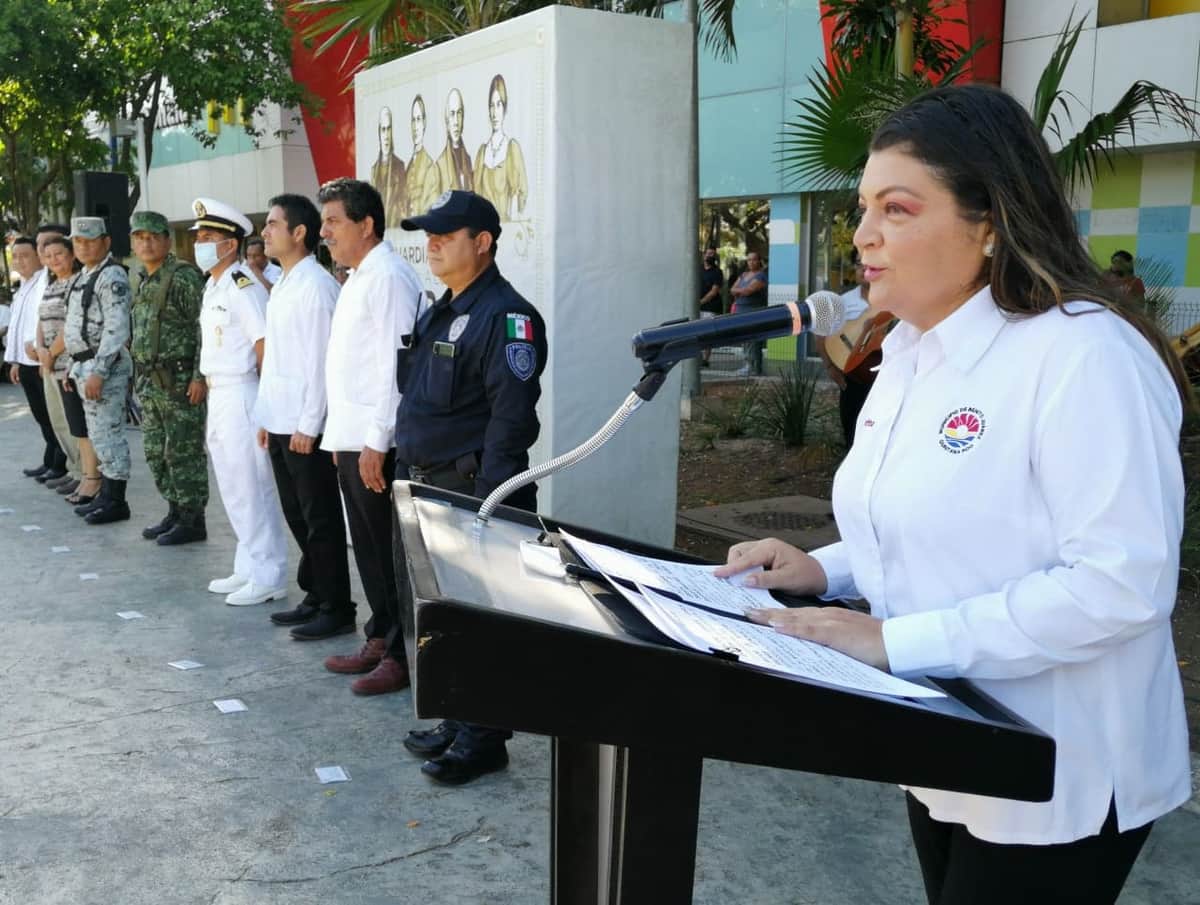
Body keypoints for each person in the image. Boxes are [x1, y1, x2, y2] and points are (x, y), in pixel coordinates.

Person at [714, 84, 1192, 905]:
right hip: (947, 732)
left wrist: (895, 640)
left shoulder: (1085, 356)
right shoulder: (908, 350)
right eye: (863, 208)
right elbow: (934, 519)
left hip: (1060, 766)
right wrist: (820, 571)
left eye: (897, 209)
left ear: (990, 223)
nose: (862, 235)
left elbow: (1119, 585)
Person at [396, 190, 547, 785]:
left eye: (446, 234)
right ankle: (459, 719)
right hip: (429, 487)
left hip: (474, 494)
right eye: (428, 233)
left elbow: (512, 424)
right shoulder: (443, 307)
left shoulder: (509, 318)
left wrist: (485, 506)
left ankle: (485, 738)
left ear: (481, 242)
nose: (431, 242)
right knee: (447, 618)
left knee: (483, 621)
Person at [313, 178, 422, 680]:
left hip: (378, 441)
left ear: (366, 223)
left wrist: (377, 441)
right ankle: (380, 635)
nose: (325, 232)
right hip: (352, 438)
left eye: (334, 221)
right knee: (370, 549)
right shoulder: (357, 275)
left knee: (388, 550)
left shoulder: (390, 276)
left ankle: (402, 655)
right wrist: (341, 439)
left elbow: (393, 368)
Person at [254, 193, 353, 631]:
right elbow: (279, 361)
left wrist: (309, 424)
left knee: (320, 518)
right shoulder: (286, 283)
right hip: (281, 420)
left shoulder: (315, 285)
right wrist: (266, 417)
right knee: (297, 515)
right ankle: (316, 593)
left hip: (303, 426)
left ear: (299, 233)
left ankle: (337, 608)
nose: (265, 232)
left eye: (273, 224)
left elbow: (319, 362)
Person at [191, 197, 288, 605]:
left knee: (252, 486)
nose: (199, 243)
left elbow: (264, 343)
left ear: (230, 245)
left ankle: (268, 573)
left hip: (243, 392)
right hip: (220, 393)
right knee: (233, 484)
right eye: (199, 236)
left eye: (208, 237)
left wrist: (266, 404)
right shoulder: (214, 285)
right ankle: (248, 565)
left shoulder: (241, 285)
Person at [128, 211, 210, 545]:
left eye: (153, 236)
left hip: (179, 381)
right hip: (151, 383)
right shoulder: (146, 278)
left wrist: (199, 376)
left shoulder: (183, 277)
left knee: (183, 452)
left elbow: (202, 327)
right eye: (139, 237)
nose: (146, 243)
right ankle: (175, 510)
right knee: (155, 452)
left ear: (167, 240)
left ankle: (192, 519)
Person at [62, 217, 134, 525]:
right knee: (97, 434)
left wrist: (100, 371)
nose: (83, 246)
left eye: (90, 240)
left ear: (105, 242)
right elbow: (74, 325)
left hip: (104, 367)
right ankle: (105, 495)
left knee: (109, 434)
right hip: (84, 365)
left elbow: (117, 328)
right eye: (78, 241)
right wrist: (71, 365)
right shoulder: (83, 276)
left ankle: (116, 501)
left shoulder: (112, 275)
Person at [5, 233, 67, 481]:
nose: (19, 261)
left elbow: (43, 321)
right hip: (26, 361)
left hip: (43, 359)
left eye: (25, 256)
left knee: (53, 416)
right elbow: (17, 327)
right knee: (41, 415)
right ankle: (50, 458)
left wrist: (42, 353)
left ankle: (60, 463)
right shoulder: (23, 287)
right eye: (15, 257)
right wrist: (15, 360)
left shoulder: (43, 280)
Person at [35, 235, 84, 498]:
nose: (54, 259)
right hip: (49, 363)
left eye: (60, 254)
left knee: (75, 421)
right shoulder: (51, 284)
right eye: (49, 255)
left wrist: (51, 355)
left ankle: (85, 473)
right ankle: (73, 469)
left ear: (72, 255)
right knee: (58, 420)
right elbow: (41, 320)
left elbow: (72, 326)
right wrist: (41, 349)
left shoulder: (77, 284)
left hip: (69, 365)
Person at [819, 254, 879, 447]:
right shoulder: (842, 302)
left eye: (869, 264)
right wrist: (830, 367)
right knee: (852, 434)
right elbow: (821, 332)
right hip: (853, 379)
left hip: (886, 377)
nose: (863, 269)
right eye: (859, 264)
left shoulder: (896, 301)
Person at [473, 74, 528, 220]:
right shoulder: (482, 153)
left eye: (499, 104)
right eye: (492, 105)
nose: (495, 112)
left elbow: (520, 198)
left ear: (505, 108)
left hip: (505, 231)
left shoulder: (512, 149)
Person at [729, 251, 767, 376]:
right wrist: (740, 291)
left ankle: (754, 367)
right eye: (749, 260)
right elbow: (732, 289)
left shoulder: (761, 276)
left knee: (753, 340)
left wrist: (739, 291)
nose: (751, 262)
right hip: (740, 311)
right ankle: (748, 365)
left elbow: (749, 291)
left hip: (753, 311)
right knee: (745, 339)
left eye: (754, 259)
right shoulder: (744, 274)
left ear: (759, 261)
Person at [371, 107, 407, 230]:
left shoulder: (399, 166)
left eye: (388, 130)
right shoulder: (374, 170)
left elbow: (402, 205)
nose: (386, 135)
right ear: (379, 133)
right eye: (383, 130)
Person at [434, 88, 473, 194]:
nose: (456, 121)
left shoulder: (468, 160)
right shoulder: (439, 165)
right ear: (447, 120)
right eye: (452, 114)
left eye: (459, 113)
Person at [406, 94, 438, 218]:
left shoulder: (430, 166)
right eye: (413, 120)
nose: (415, 127)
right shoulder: (407, 166)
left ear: (424, 123)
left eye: (418, 119)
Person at [698, 245, 723, 367]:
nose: (710, 256)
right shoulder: (697, 270)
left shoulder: (718, 272)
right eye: (708, 254)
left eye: (712, 254)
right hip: (696, 307)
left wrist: (700, 302)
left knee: (707, 333)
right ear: (704, 255)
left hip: (710, 307)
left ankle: (705, 359)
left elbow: (714, 291)